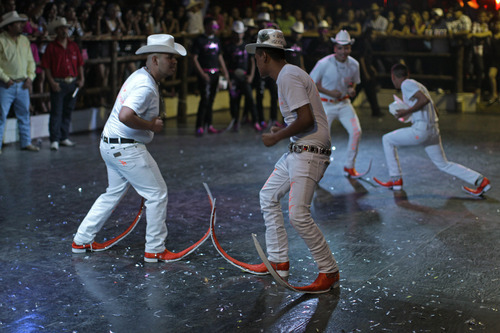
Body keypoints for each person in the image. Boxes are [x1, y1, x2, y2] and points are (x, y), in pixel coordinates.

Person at [72, 34, 188, 261]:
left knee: (112, 193)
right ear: (155, 59)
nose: (174, 62)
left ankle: (81, 240)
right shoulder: (145, 86)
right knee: (157, 194)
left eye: (175, 58)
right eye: (169, 57)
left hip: (111, 144)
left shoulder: (140, 76)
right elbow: (126, 115)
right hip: (125, 148)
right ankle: (154, 250)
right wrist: (151, 125)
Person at [244, 29, 340, 292]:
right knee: (268, 195)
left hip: (309, 150)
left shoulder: (288, 76)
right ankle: (277, 261)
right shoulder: (289, 75)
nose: (256, 61)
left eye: (256, 57)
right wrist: (282, 130)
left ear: (263, 56)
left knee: (298, 214)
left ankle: (328, 271)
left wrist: (277, 138)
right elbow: (301, 119)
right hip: (301, 147)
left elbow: (307, 119)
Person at [374, 63, 491, 197]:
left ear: (393, 76)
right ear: (408, 73)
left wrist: (406, 111)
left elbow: (423, 100)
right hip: (432, 130)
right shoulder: (419, 85)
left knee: (387, 139)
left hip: (421, 130)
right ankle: (481, 181)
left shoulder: (406, 84)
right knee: (443, 164)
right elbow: (432, 107)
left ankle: (396, 180)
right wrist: (413, 115)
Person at [310, 30, 364, 178]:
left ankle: (349, 166)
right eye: (340, 48)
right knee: (322, 138)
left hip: (344, 103)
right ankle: (316, 168)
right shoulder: (323, 63)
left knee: (356, 132)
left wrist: (351, 89)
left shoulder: (354, 64)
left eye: (346, 48)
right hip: (325, 104)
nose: (343, 51)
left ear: (350, 48)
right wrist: (328, 92)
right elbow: (311, 83)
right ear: (335, 48)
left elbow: (353, 82)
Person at [42, 17, 85, 151]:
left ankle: (63, 136)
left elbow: (79, 64)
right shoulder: (52, 47)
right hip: (59, 83)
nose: (64, 31)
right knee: (56, 111)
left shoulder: (73, 46)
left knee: (67, 110)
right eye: (61, 28)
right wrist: (52, 82)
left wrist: (81, 78)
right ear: (57, 30)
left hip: (72, 82)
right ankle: (55, 139)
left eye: (65, 28)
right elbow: (47, 67)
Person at [0, 11, 39, 154]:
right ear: (10, 26)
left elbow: (30, 61)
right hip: (6, 85)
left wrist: (30, 77)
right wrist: (5, 78)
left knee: (24, 114)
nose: (20, 25)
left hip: (22, 83)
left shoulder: (24, 40)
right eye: (17, 23)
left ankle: (26, 142)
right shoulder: (1, 40)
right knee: (1, 116)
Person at [191, 17, 230, 136]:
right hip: (205, 73)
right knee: (204, 99)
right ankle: (199, 126)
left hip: (215, 73)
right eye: (213, 26)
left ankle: (209, 125)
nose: (215, 29)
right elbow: (194, 58)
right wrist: (202, 73)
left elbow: (219, 56)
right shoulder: (199, 40)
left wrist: (225, 71)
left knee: (211, 100)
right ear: (206, 26)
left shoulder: (217, 40)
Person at [223, 20, 260, 132]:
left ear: (243, 34)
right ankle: (235, 121)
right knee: (234, 101)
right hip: (233, 76)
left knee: (250, 99)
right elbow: (225, 64)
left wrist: (251, 76)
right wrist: (228, 80)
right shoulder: (228, 47)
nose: (238, 35)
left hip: (244, 77)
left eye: (240, 33)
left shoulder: (246, 46)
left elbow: (252, 62)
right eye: (236, 33)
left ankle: (255, 121)